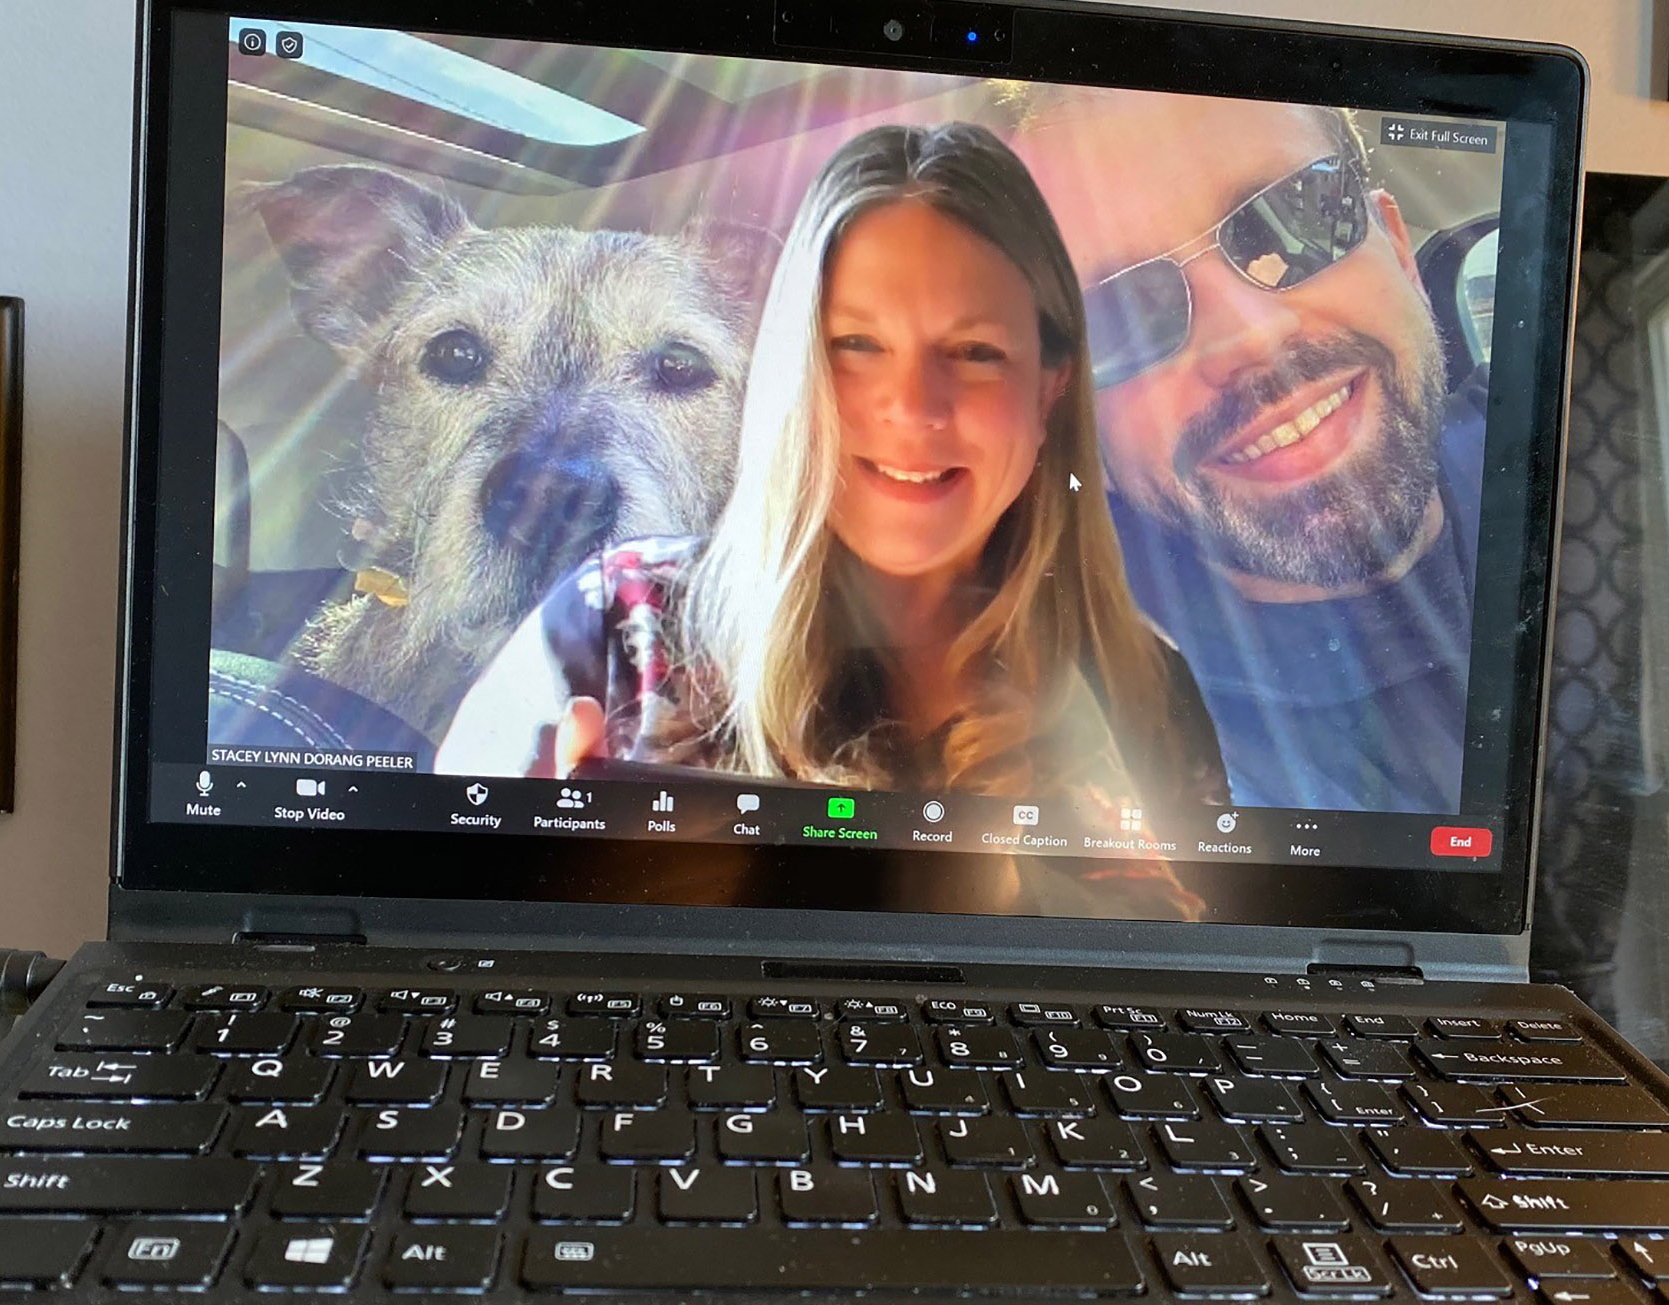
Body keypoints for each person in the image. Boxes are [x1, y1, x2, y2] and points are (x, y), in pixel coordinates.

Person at [438, 122, 1227, 919]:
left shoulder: (1148, 685)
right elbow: (436, 947)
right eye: (855, 344)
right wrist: (533, 887)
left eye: (976, 351)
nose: (914, 407)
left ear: (1049, 387)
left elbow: (1195, 985)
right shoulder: (611, 623)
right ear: (793, 368)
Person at [1009, 89, 1485, 814]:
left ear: (1396, 247)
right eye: (1118, 316)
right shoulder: (1082, 758)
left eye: (1295, 217)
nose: (1253, 337)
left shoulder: (1590, 462)